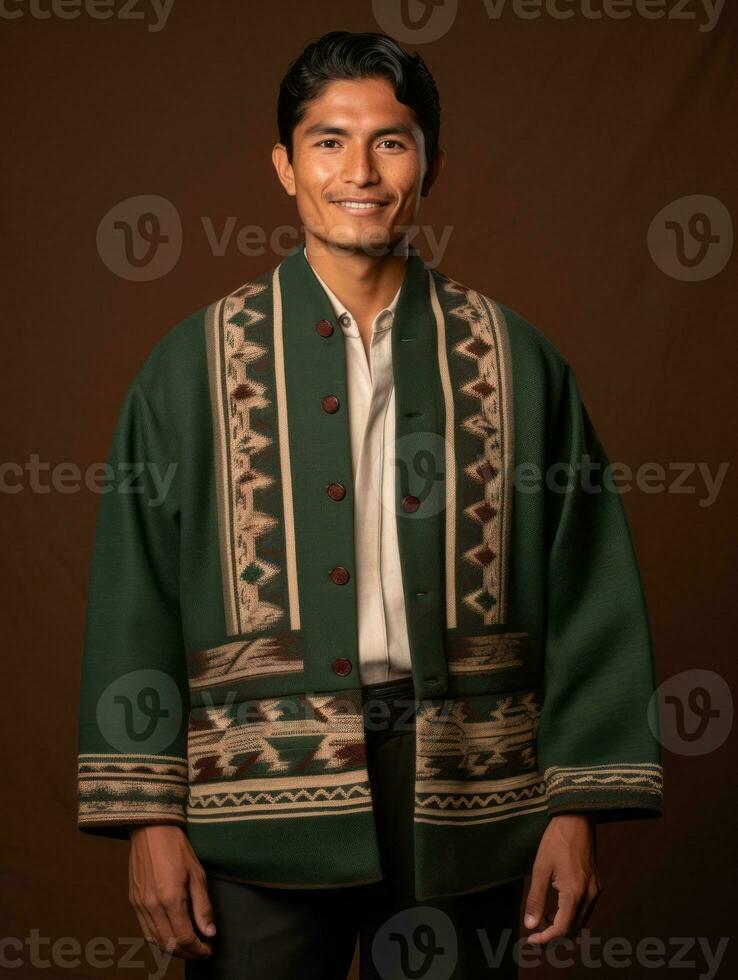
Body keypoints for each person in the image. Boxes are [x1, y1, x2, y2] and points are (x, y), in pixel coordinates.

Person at [77, 30, 664, 979]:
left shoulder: (518, 360)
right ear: (284, 164)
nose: (360, 170)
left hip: (473, 794)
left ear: (431, 162)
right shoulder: (188, 367)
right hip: (254, 813)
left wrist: (577, 805)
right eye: (328, 141)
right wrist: (148, 816)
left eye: (390, 141)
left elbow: (590, 583)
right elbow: (131, 592)